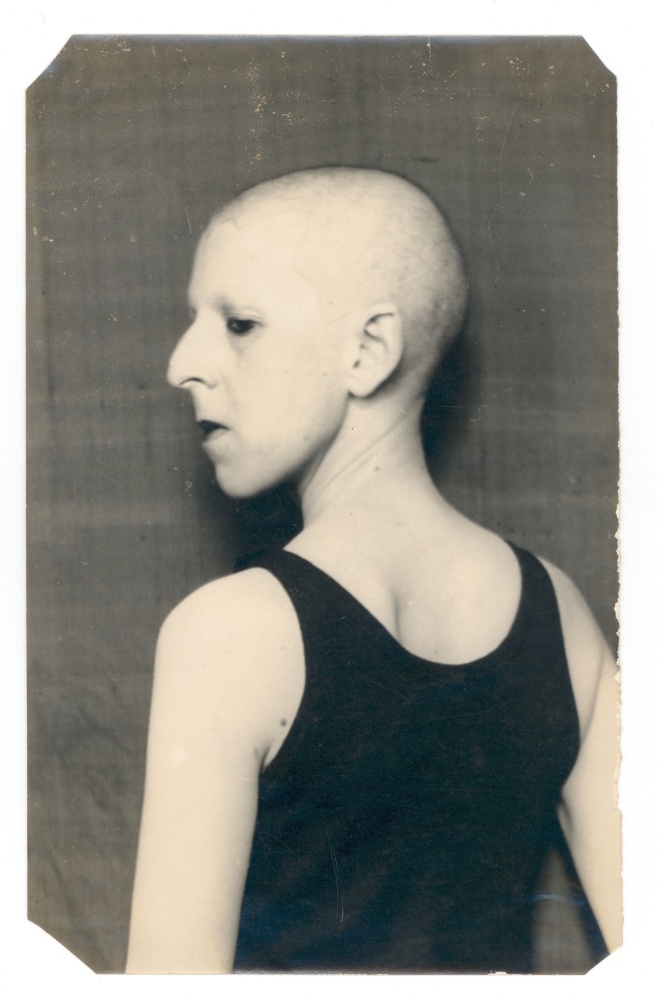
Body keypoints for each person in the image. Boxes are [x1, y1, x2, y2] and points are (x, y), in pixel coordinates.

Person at [125, 167, 621, 974]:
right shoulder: (561, 618)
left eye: (240, 323)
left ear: (368, 349)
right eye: (196, 321)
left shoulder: (226, 634)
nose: (183, 362)